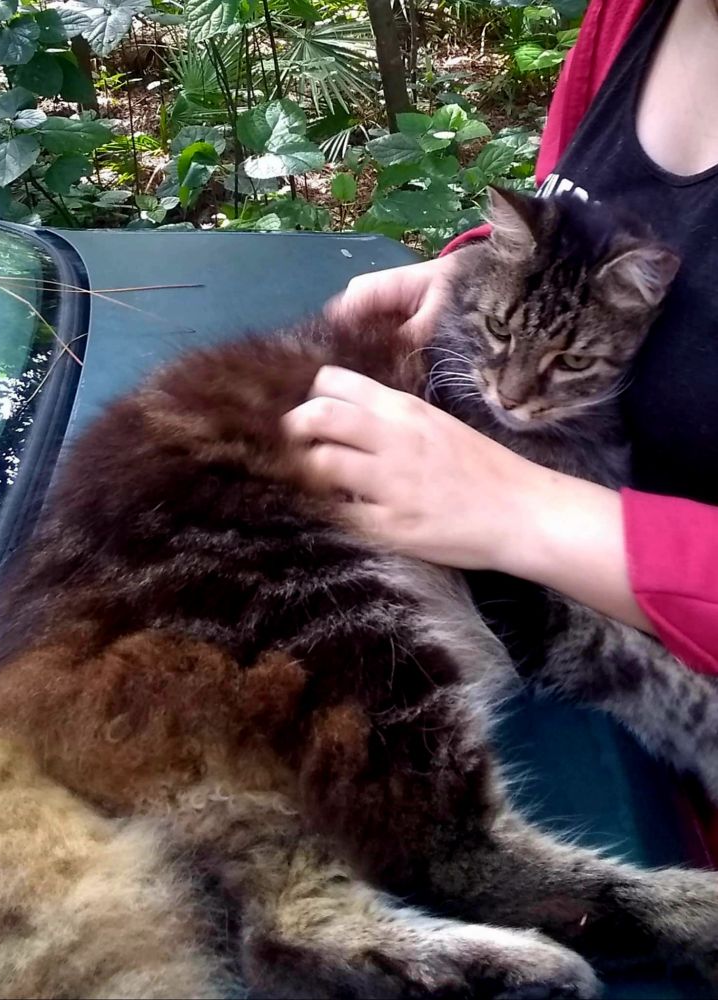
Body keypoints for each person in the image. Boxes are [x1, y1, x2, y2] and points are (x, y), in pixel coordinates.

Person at [283, 0, 718, 679]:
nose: (511, 395)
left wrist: (527, 511)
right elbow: (551, 222)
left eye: (566, 364)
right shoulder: (630, 13)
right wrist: (464, 278)